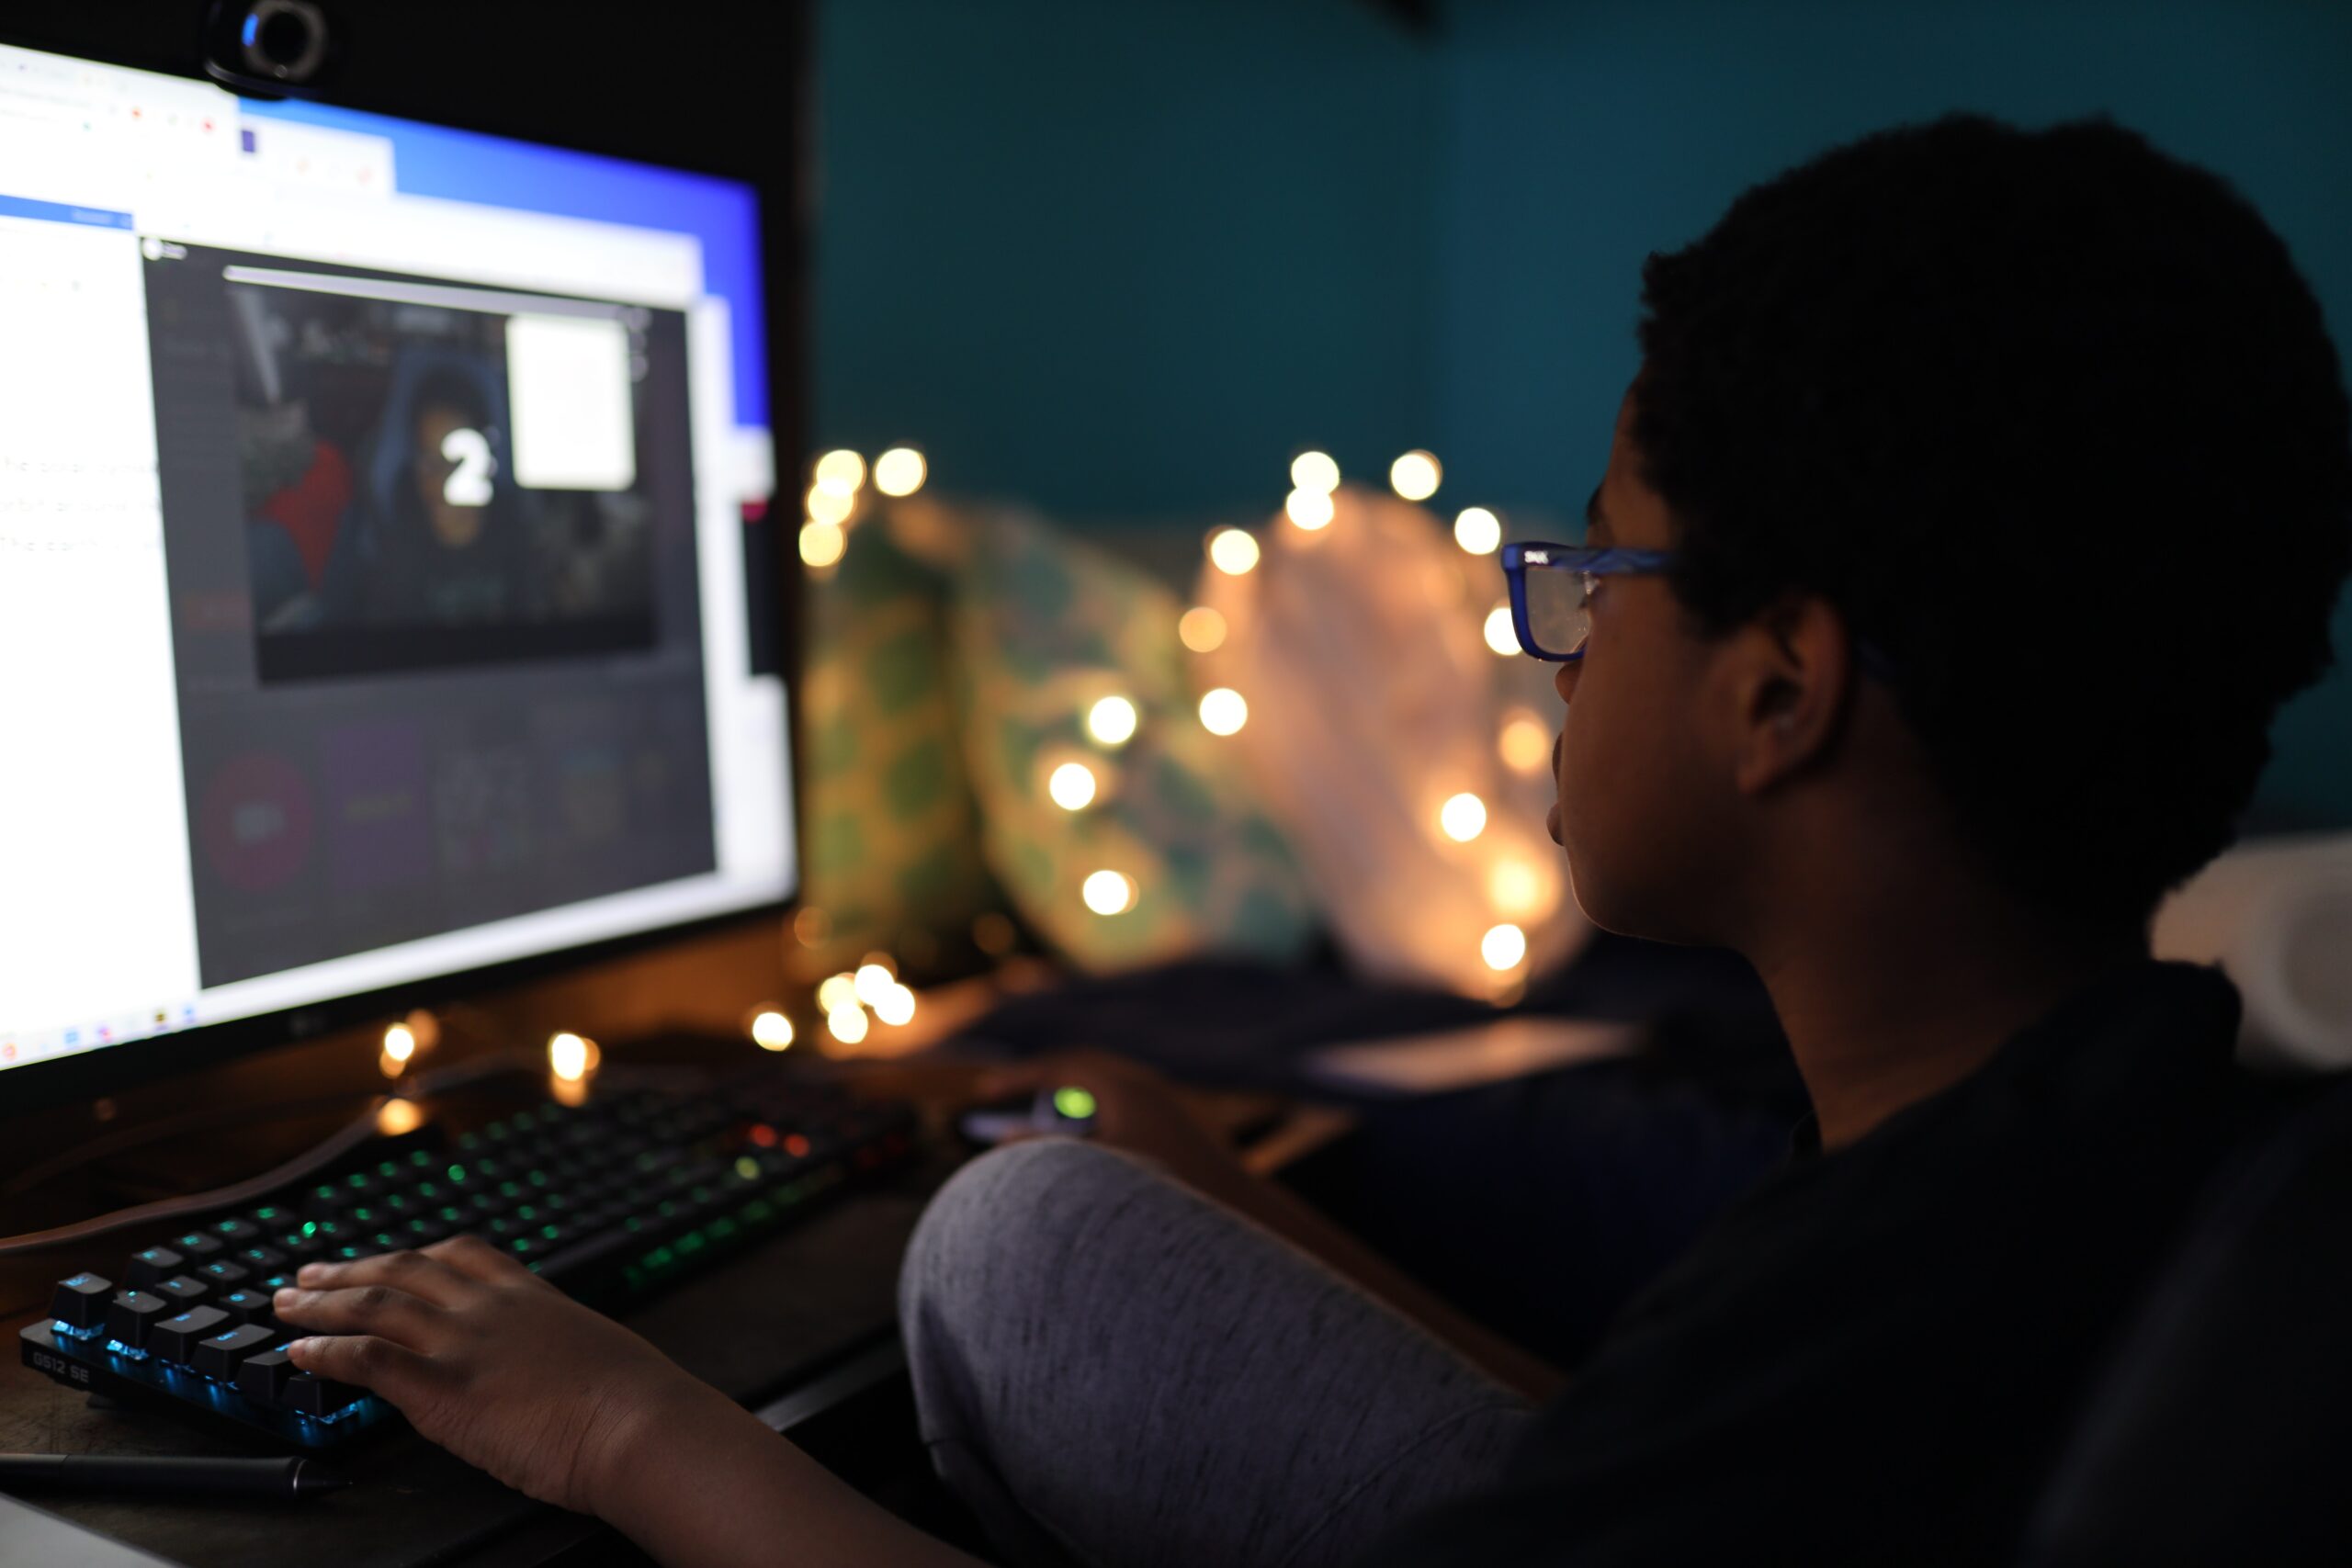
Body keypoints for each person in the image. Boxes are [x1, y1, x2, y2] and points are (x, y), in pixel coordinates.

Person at [266, 110, 2352, 1566]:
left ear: (1778, 688)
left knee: (1011, 1248)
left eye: (1594, 574)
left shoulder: (1901, 1289)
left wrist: (622, 1425)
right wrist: (1244, 1206)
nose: (1544, 649)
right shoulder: (2089, 1131)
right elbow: (1614, 1467)